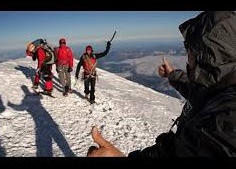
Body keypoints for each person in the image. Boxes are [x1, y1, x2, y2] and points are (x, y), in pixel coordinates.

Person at [86, 11, 236, 157]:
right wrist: (171, 74)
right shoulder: (222, 87)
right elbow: (197, 90)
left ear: (207, 58)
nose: (187, 59)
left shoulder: (224, 122)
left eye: (190, 52)